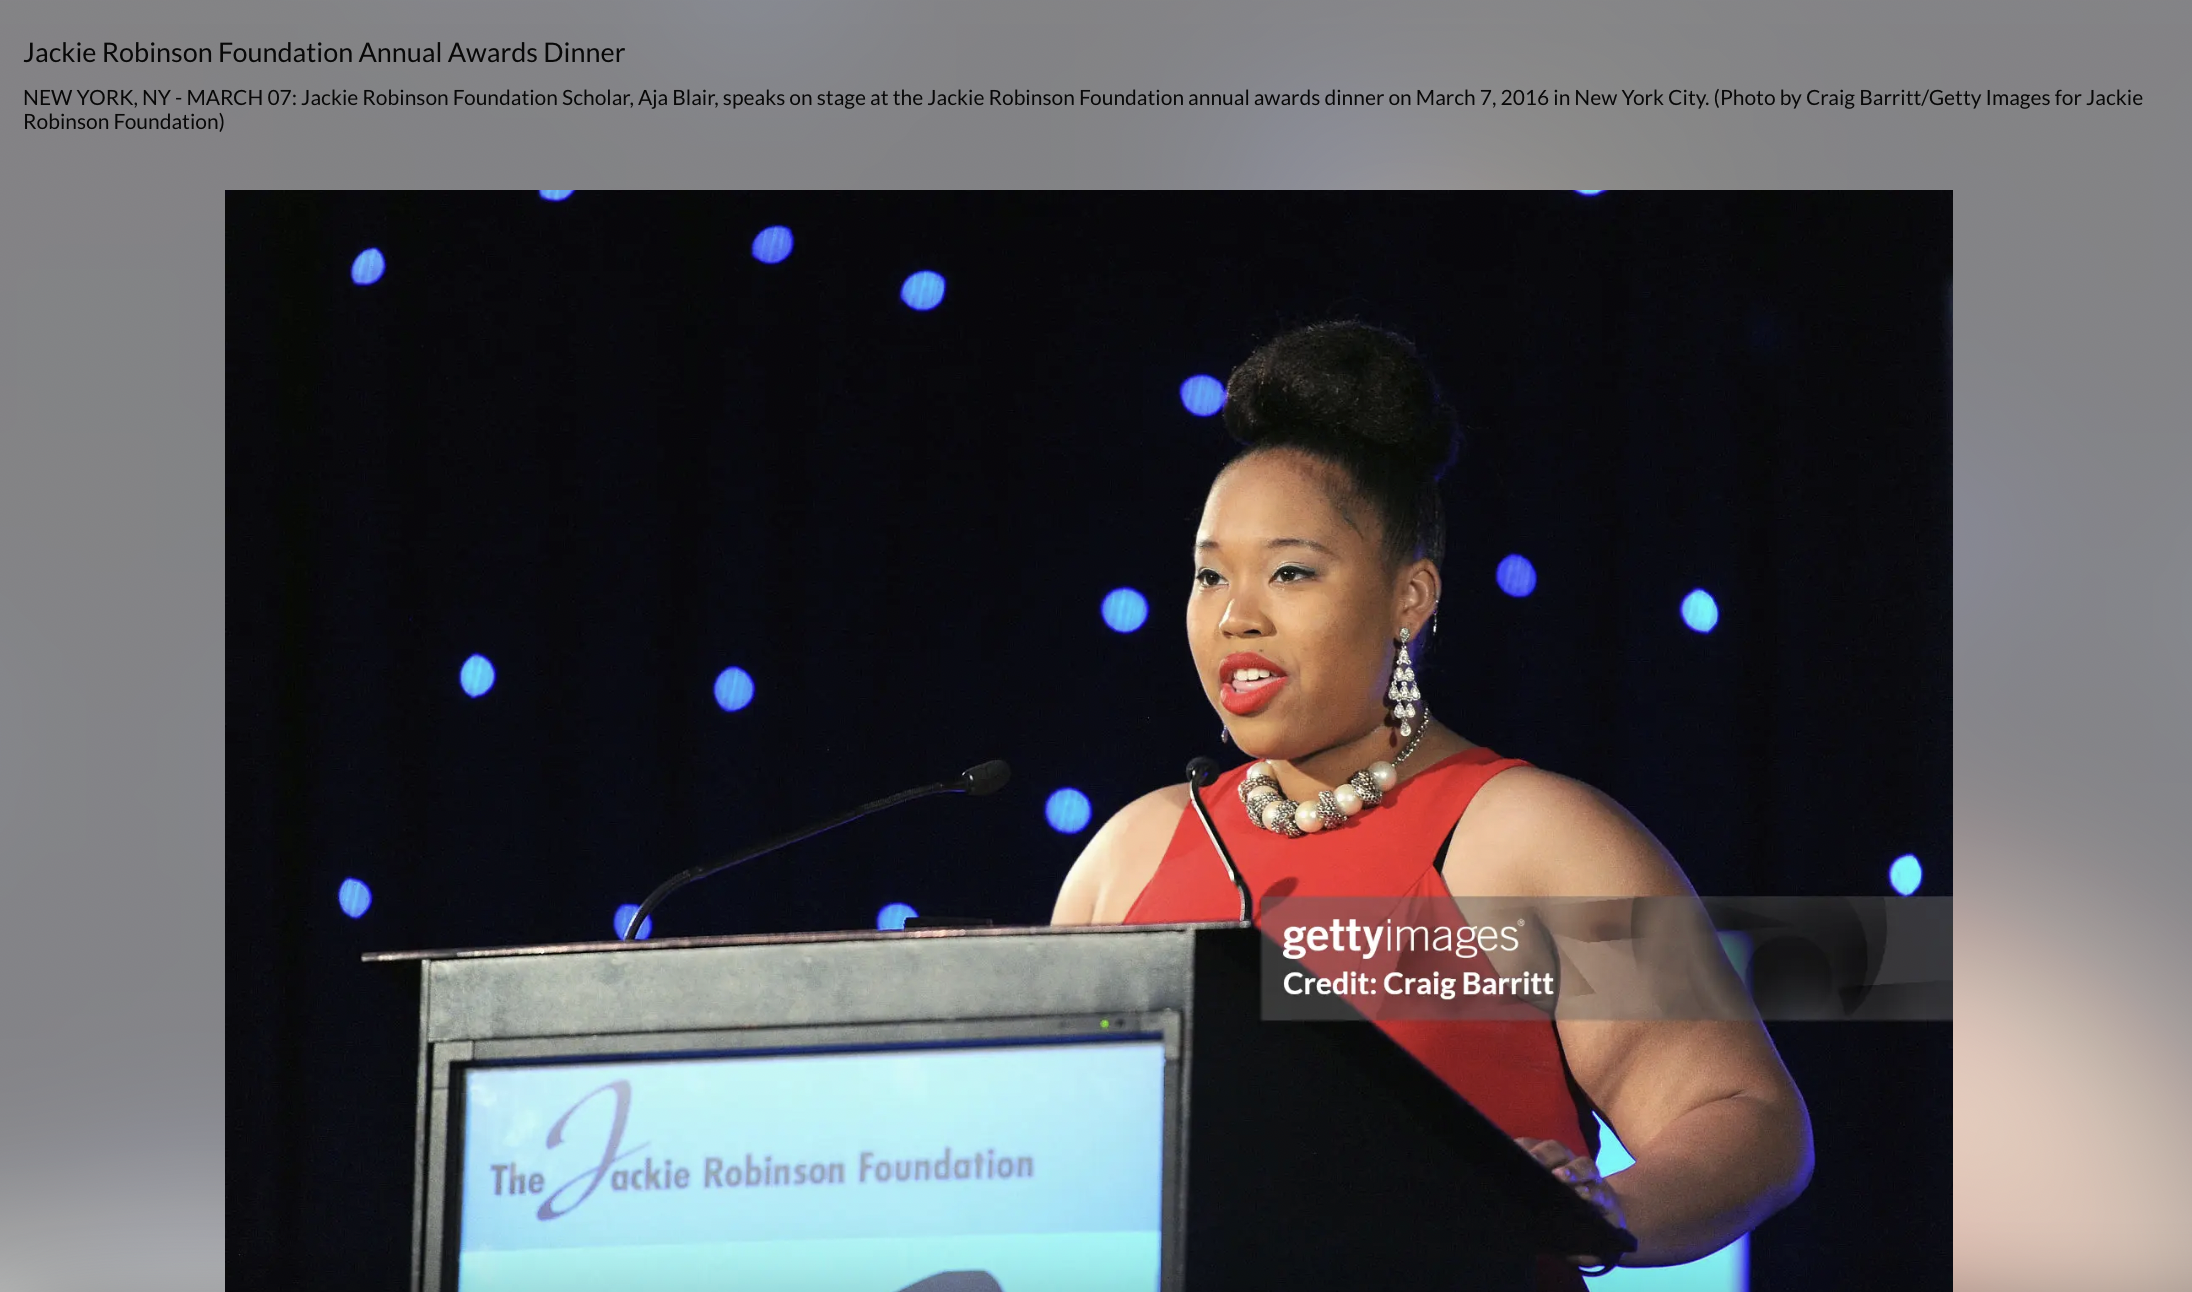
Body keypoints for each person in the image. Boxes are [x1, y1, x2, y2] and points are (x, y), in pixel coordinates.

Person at [1051, 322, 1812, 1282]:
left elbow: (1745, 1116)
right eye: (1210, 575)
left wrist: (1605, 1208)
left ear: (1410, 598)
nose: (1236, 613)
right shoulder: (1131, 854)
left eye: (1290, 571)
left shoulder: (1529, 836)